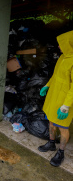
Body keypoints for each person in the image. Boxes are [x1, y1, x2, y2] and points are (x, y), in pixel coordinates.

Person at [38, 30, 73, 167]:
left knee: (63, 128)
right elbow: (55, 75)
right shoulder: (63, 57)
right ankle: (51, 143)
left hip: (64, 101)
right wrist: (47, 85)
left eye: (61, 44)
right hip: (54, 96)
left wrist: (66, 106)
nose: (59, 46)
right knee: (51, 122)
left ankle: (61, 152)